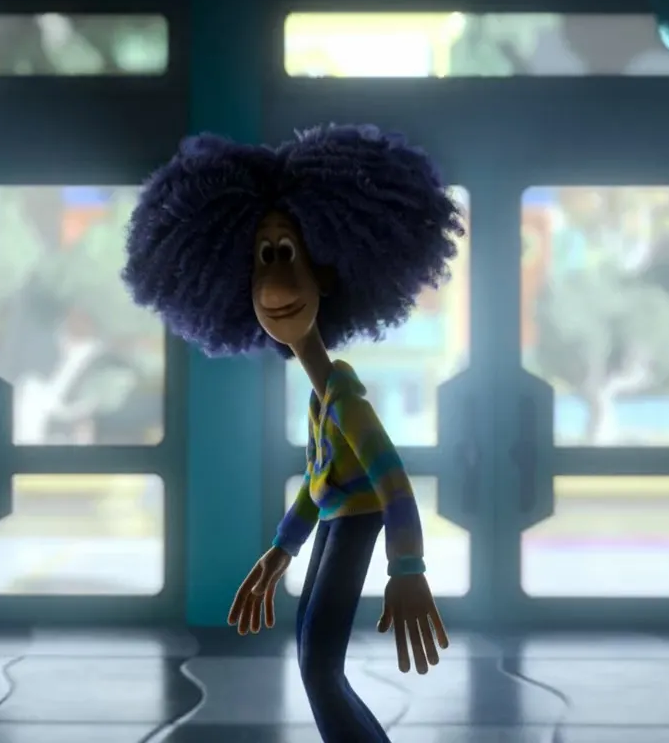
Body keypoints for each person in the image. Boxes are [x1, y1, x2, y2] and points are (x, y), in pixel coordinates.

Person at [121, 125, 460, 741]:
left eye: (286, 252)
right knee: (314, 664)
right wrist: (281, 550)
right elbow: (318, 483)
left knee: (319, 669)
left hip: (355, 527)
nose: (273, 282)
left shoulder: (345, 398)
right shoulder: (323, 395)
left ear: (324, 272)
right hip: (337, 522)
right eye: (262, 257)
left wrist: (407, 569)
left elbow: (394, 486)